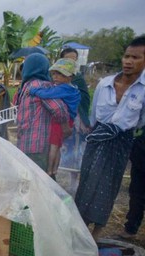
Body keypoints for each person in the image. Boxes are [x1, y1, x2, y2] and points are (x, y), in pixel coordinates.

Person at [75, 36, 145, 240]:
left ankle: (96, 234)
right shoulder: (104, 84)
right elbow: (94, 115)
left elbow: (140, 121)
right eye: (126, 56)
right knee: (87, 182)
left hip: (121, 143)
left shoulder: (143, 90)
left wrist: (119, 131)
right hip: (97, 140)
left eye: (135, 57)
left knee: (109, 186)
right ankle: (80, 229)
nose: (128, 61)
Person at [13, 53, 70, 172]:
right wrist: (65, 125)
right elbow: (59, 109)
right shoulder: (42, 86)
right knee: (42, 181)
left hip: (24, 143)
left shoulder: (24, 87)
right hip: (39, 145)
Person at [29, 58, 81, 179]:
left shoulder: (63, 88)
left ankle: (49, 170)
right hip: (69, 120)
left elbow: (46, 94)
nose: (56, 77)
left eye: (60, 74)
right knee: (58, 146)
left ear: (69, 77)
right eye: (54, 73)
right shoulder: (72, 88)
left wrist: (33, 90)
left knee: (53, 146)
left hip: (60, 121)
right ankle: (54, 170)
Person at [60, 47, 92, 131]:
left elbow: (85, 98)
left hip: (75, 116)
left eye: (74, 59)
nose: (71, 61)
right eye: (67, 59)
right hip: (60, 115)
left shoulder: (78, 78)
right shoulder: (56, 76)